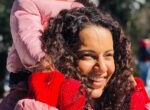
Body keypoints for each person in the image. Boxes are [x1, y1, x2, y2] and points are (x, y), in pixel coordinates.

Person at [14, 7, 150, 110]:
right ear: (61, 56)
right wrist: (46, 95)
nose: (102, 67)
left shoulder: (117, 99)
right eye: (88, 56)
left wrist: (135, 100)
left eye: (109, 55)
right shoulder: (29, 99)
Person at [0, 0, 92, 109]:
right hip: (33, 72)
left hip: (70, 74)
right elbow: (26, 34)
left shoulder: (80, 9)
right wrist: (41, 59)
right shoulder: (29, 3)